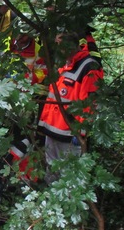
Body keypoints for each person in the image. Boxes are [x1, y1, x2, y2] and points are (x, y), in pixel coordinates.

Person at [37, 31, 103, 180]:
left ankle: (64, 201)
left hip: (69, 135)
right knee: (51, 168)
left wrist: (81, 133)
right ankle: (50, 197)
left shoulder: (89, 67)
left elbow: (90, 105)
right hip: (53, 129)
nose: (56, 48)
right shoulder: (64, 64)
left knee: (68, 175)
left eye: (59, 44)